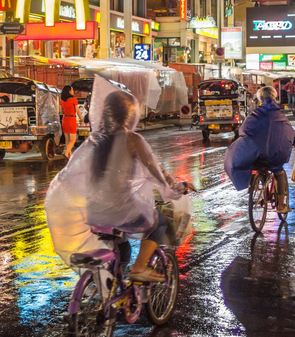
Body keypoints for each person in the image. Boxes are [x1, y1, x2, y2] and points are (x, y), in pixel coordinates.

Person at [45, 76, 192, 282]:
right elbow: (156, 172)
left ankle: (115, 288)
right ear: (130, 115)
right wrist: (176, 187)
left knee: (121, 245)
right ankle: (140, 268)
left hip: (93, 212)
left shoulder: (95, 141)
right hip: (121, 211)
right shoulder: (132, 139)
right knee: (159, 224)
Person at [224, 86, 295, 214]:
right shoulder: (279, 115)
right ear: (275, 98)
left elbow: (243, 130)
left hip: (256, 155)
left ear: (260, 99)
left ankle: (253, 182)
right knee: (279, 173)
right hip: (273, 156)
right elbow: (288, 132)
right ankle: (281, 206)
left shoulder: (255, 114)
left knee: (253, 163)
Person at [60, 85, 79, 159]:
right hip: (71, 119)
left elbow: (61, 112)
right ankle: (66, 152)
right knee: (73, 140)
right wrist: (81, 119)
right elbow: (77, 111)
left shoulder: (61, 101)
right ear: (69, 91)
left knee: (67, 139)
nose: (73, 91)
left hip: (64, 119)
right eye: (72, 90)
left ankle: (69, 156)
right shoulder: (74, 100)